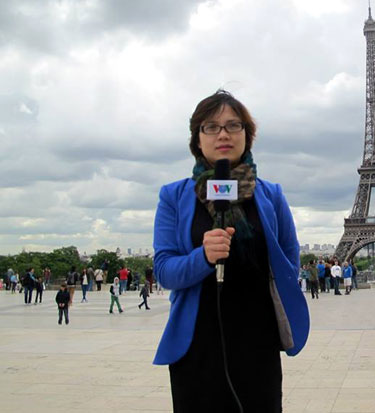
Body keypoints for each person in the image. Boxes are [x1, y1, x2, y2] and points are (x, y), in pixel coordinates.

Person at [152, 90, 309, 412]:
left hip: (258, 340)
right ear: (197, 139)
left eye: (233, 125)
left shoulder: (271, 195)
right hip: (197, 344)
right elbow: (164, 270)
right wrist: (203, 257)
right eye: (211, 127)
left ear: (247, 136)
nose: (223, 134)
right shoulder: (173, 196)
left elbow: (288, 261)